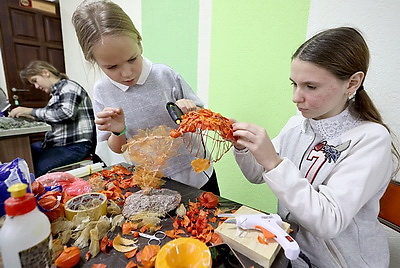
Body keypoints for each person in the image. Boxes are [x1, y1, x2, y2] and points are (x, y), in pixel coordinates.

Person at [232, 27, 400, 267]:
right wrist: (244, 148)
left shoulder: (371, 139)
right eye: (294, 84)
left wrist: (273, 162)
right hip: (292, 252)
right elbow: (257, 175)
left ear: (352, 83)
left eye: (310, 87)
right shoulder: (298, 124)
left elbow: (328, 222)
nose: (296, 97)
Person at [71, 0, 219, 195]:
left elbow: (203, 120)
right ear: (94, 61)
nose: (126, 73)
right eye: (112, 67)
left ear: (139, 42)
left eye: (132, 59)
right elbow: (117, 148)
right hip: (152, 182)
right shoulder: (102, 91)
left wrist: (191, 110)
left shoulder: (164, 75)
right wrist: (119, 131)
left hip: (198, 173)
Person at [9, 60, 96, 177]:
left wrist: (30, 111)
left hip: (75, 146)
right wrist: (30, 116)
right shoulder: (57, 93)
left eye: (35, 80)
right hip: (59, 144)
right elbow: (54, 116)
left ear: (45, 72)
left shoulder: (69, 87)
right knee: (25, 153)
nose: (36, 86)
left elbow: (66, 113)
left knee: (36, 171)